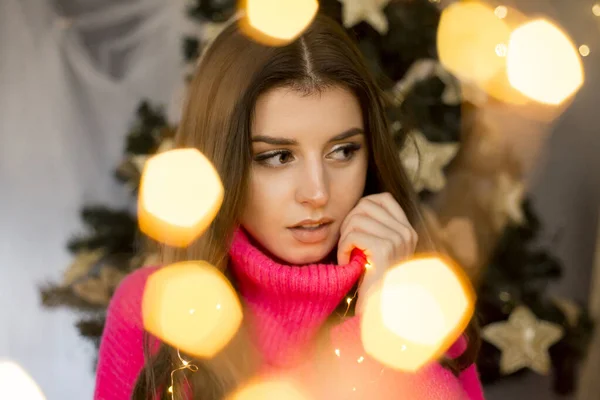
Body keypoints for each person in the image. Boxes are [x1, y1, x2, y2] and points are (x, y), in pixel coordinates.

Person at [94, 14, 484, 400]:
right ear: (221, 161)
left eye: (343, 151)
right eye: (278, 157)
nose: (317, 192)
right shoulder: (148, 310)